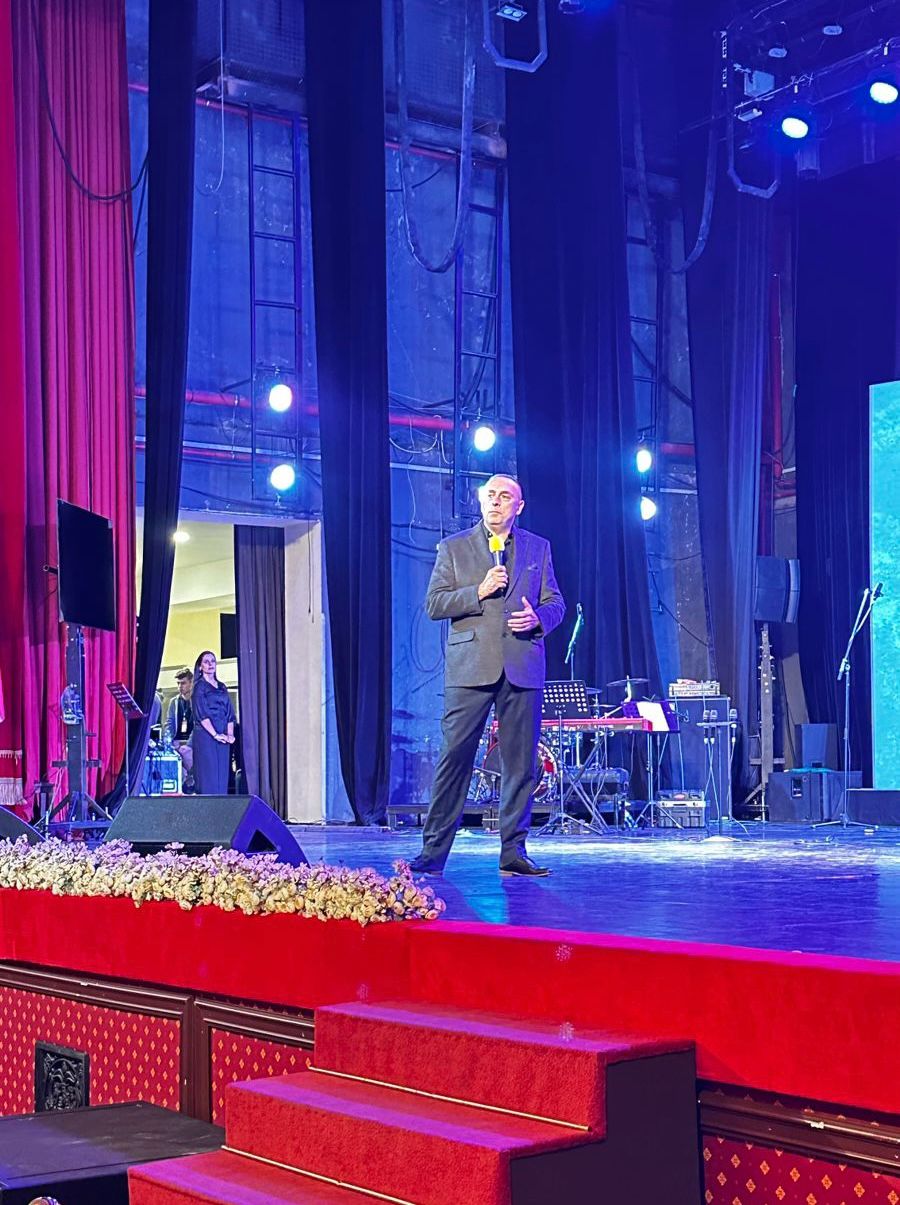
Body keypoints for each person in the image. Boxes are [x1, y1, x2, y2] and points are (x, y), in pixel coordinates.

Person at [410, 474, 565, 877]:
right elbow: (435, 604)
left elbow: (556, 603)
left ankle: (514, 852)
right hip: (471, 667)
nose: (496, 501)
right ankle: (432, 853)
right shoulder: (454, 547)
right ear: (481, 502)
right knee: (454, 758)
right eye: (490, 495)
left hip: (522, 665)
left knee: (520, 765)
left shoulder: (538, 547)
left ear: (519, 506)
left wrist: (538, 618)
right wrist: (477, 591)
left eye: (505, 496)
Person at [190, 651, 236, 795]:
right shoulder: (199, 687)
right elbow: (201, 713)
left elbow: (229, 713)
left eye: (213, 661)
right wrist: (215, 735)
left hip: (223, 736)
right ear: (200, 667)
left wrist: (230, 734)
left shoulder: (222, 687)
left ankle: (221, 806)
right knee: (208, 777)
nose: (210, 664)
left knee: (221, 776)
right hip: (206, 736)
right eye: (206, 662)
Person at [166, 667, 195, 791]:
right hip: (177, 741)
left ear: (191, 683)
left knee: (185, 752)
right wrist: (170, 741)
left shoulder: (197, 701)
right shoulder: (174, 702)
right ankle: (186, 782)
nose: (180, 687)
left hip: (192, 742)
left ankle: (190, 779)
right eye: (178, 683)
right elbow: (169, 723)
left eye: (183, 683)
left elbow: (199, 725)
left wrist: (189, 743)